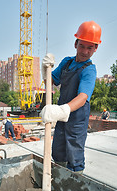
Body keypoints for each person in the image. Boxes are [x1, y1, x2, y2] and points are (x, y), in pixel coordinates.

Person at [40, 21, 102, 173]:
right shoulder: (67, 63)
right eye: (82, 46)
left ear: (96, 48)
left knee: (75, 156)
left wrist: (61, 111)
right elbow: (51, 83)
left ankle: (75, 185)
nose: (85, 51)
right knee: (58, 151)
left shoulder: (89, 70)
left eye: (90, 47)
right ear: (76, 43)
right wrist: (44, 70)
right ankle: (61, 179)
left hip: (77, 119)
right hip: (62, 116)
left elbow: (82, 97)